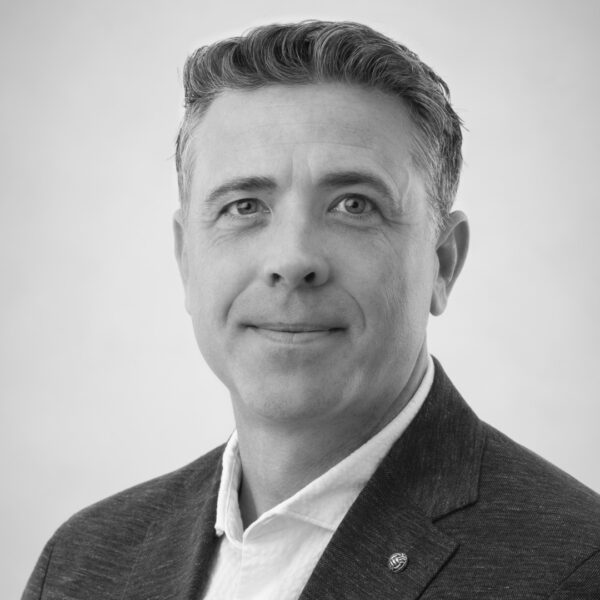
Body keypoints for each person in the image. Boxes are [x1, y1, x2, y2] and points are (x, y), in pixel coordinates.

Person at [23, 20, 600, 600]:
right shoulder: (82, 563)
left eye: (354, 205)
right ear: (186, 259)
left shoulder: (576, 572)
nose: (293, 259)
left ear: (442, 263)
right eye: (244, 206)